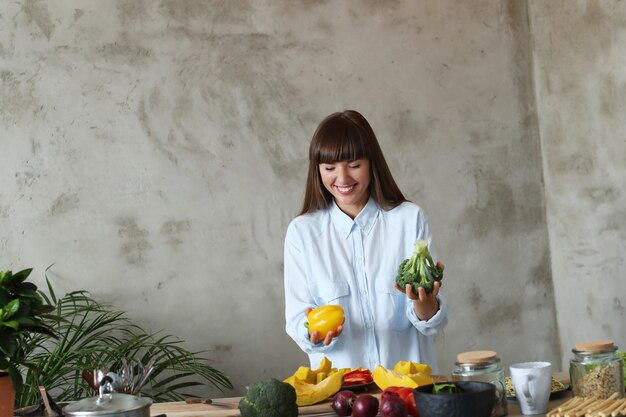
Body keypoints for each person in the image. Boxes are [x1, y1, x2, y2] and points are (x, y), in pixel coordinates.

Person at [284, 109, 448, 373]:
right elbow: (296, 320)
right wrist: (313, 335)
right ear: (317, 170)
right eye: (329, 168)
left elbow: (432, 323)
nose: (342, 178)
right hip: (343, 398)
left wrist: (424, 300)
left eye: (354, 165)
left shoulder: (409, 219)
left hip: (409, 392)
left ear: (372, 162)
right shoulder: (302, 233)